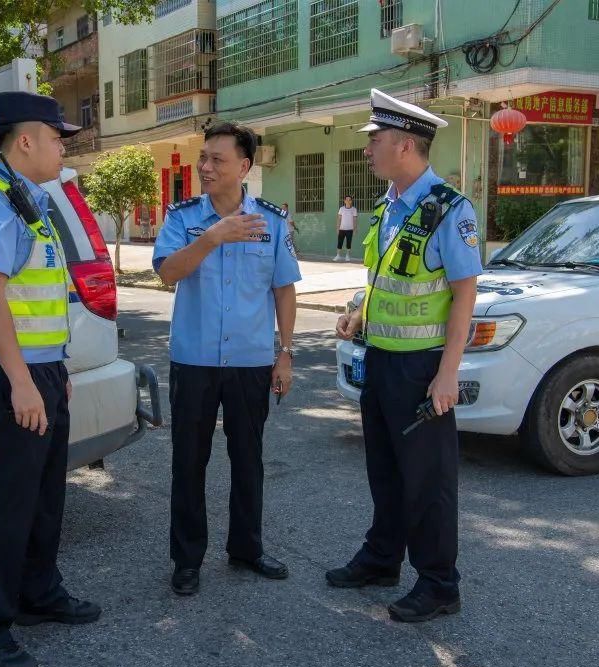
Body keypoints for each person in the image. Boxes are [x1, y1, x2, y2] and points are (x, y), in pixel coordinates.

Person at [0, 91, 101, 667]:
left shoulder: (28, 202)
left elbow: (33, 298)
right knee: (5, 505)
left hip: (39, 371)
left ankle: (37, 592)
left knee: (43, 497)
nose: (63, 144)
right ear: (24, 141)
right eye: (56, 134)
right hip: (4, 375)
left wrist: (50, 372)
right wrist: (21, 381)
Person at [327, 89, 482, 622]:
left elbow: (465, 292)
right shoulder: (390, 206)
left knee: (429, 482)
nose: (368, 150)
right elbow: (385, 278)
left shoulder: (449, 210)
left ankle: (440, 583)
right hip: (383, 360)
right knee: (386, 470)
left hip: (423, 368)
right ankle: (382, 558)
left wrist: (448, 375)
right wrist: (358, 312)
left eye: (376, 141)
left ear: (407, 145)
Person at [153, 122, 302, 596]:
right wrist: (212, 237)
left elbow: (284, 288)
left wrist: (285, 354)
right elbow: (166, 273)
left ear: (244, 166)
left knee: (248, 458)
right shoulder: (182, 218)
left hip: (250, 360)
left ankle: (247, 548)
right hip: (194, 360)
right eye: (204, 158)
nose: (206, 167)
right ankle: (187, 558)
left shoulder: (272, 222)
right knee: (188, 461)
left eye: (217, 159)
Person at [335, 195, 358, 261]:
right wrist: (337, 228)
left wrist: (355, 229)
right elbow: (339, 218)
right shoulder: (341, 209)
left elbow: (355, 220)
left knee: (348, 243)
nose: (348, 201)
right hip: (341, 229)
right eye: (346, 200)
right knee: (340, 242)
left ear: (351, 201)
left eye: (349, 200)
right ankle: (338, 255)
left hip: (350, 229)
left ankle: (347, 256)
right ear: (344, 201)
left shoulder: (354, 209)